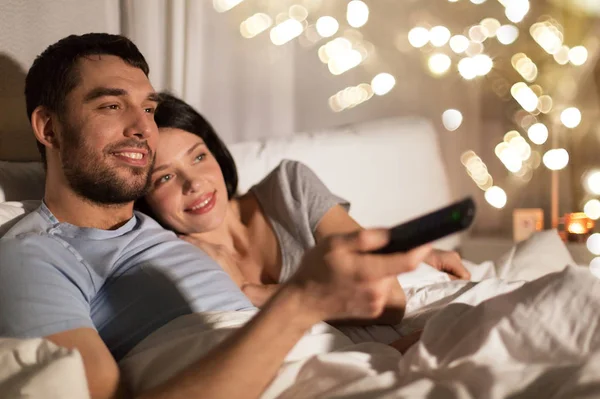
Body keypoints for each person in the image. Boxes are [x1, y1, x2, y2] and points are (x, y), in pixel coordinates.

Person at [0, 33, 432, 399]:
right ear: (49, 128)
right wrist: (300, 301)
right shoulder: (33, 255)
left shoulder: (166, 227)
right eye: (112, 106)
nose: (143, 127)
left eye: (148, 108)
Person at [137, 93, 471, 319]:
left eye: (198, 156)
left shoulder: (288, 186)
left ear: (216, 154)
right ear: (146, 199)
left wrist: (252, 292)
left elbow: (388, 299)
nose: (193, 182)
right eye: (164, 178)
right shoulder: (171, 255)